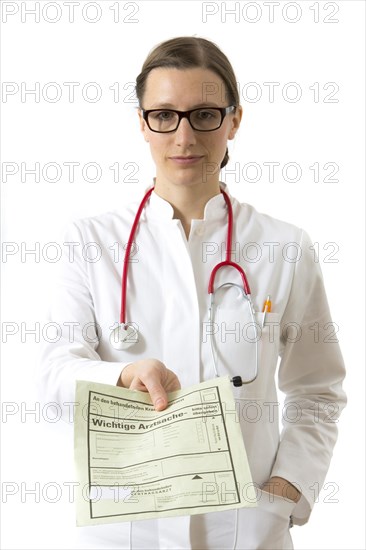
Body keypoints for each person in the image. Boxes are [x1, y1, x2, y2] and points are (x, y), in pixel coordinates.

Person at [38, 36, 346, 550]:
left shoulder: (285, 246)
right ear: (141, 122)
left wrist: (287, 489)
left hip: (247, 527)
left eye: (204, 114)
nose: (183, 136)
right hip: (127, 527)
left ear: (234, 120)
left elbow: (317, 391)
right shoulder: (91, 243)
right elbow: (53, 376)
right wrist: (121, 372)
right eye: (164, 115)